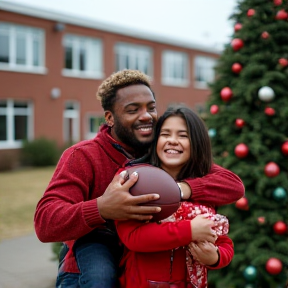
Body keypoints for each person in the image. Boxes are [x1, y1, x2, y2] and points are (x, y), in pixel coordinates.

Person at [34, 70, 244, 288]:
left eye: (151, 108)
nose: (146, 116)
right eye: (133, 110)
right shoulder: (83, 156)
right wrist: (102, 208)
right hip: (94, 254)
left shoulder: (162, 150)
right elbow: (46, 222)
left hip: (147, 263)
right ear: (110, 118)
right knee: (101, 279)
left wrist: (178, 189)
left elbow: (231, 184)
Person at [115, 104, 236, 288]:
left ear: (197, 143)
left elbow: (223, 241)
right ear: (155, 141)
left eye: (183, 136)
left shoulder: (203, 188)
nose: (172, 141)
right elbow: (133, 237)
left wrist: (215, 257)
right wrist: (189, 231)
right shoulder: (136, 179)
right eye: (165, 134)